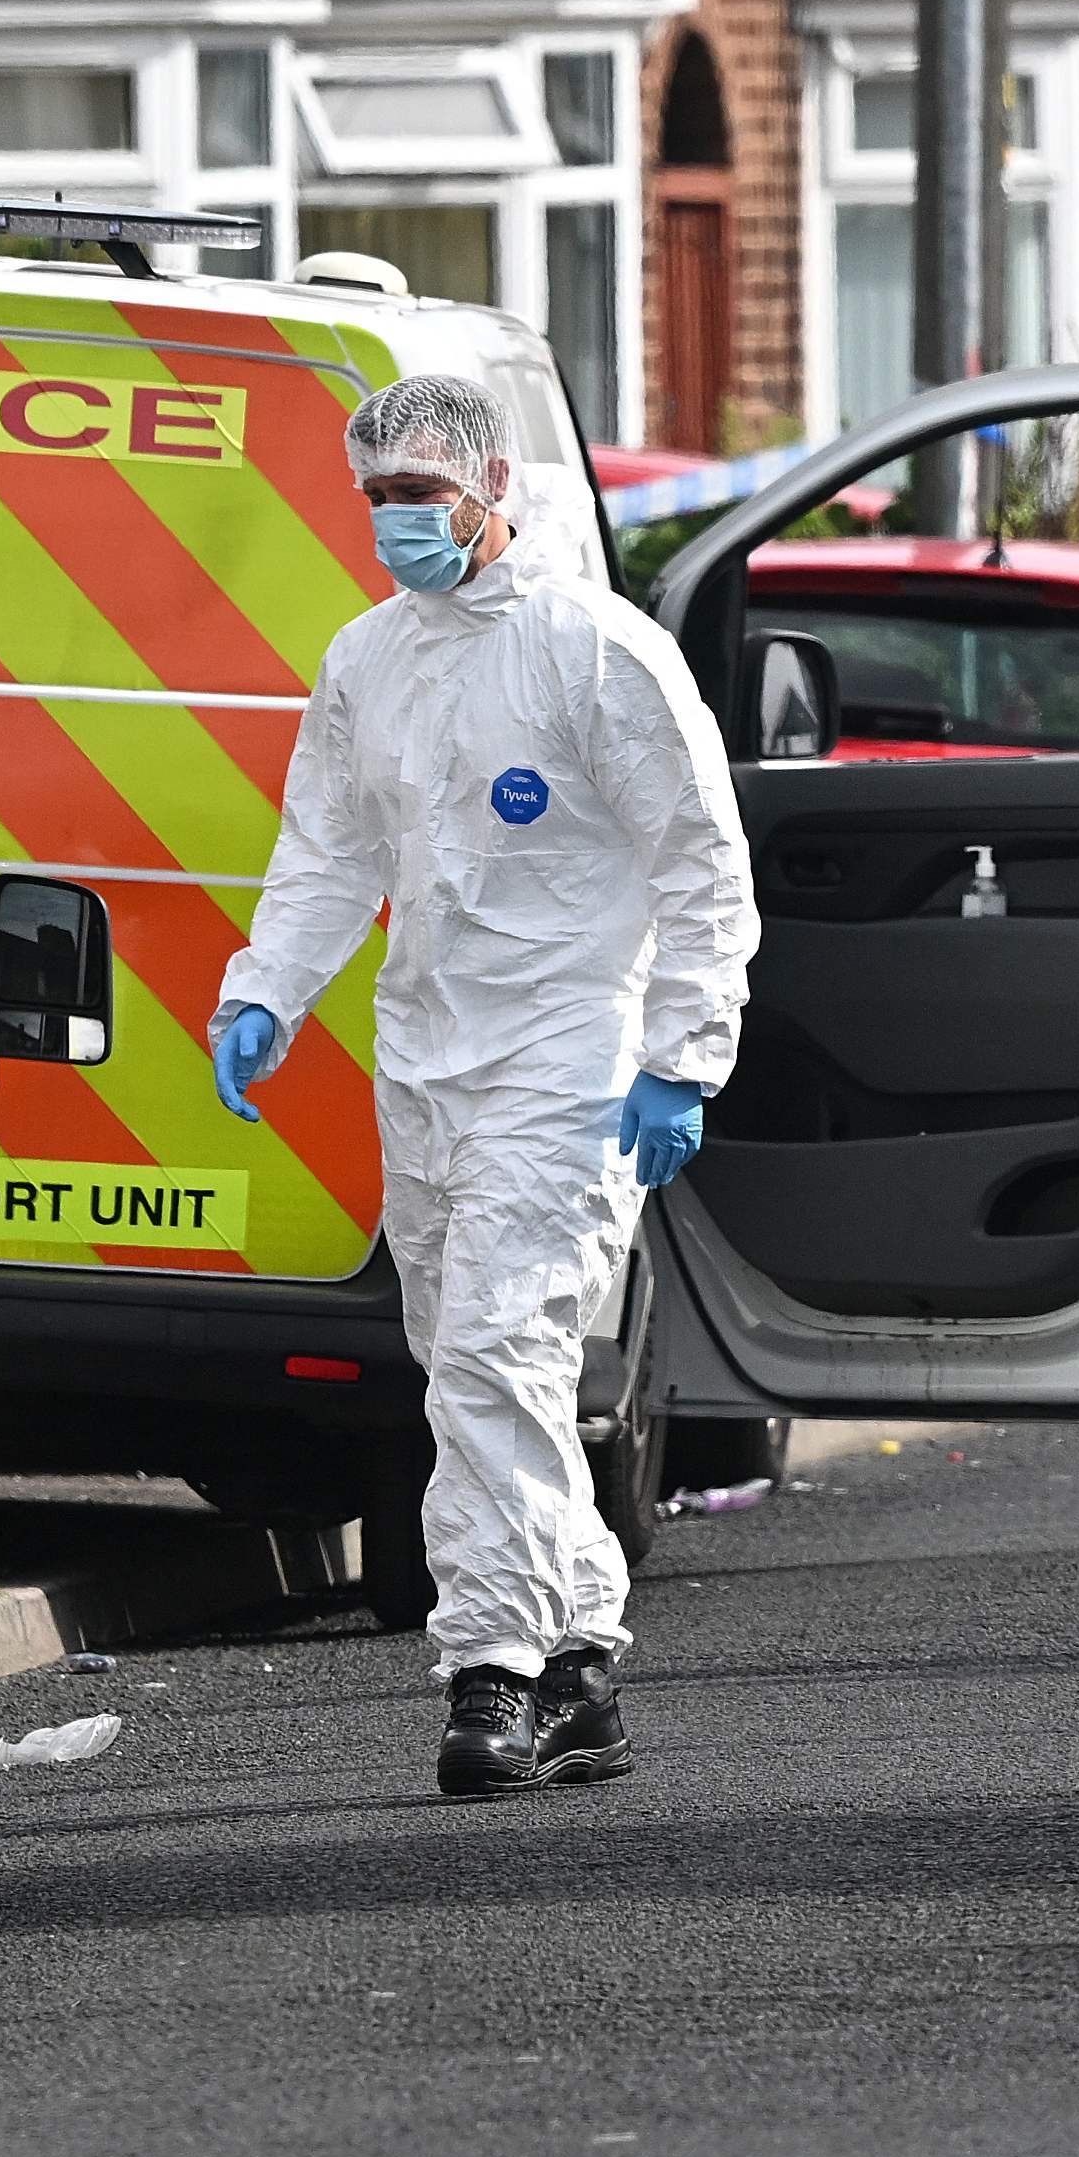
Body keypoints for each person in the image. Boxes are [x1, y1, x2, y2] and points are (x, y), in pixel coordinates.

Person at [209, 375, 758, 1799]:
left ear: (493, 485)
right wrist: (265, 988)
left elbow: (701, 864)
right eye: (378, 498)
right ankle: (583, 1663)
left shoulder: (595, 653)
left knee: (490, 1357)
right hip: (425, 1058)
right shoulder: (367, 659)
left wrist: (681, 1059)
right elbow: (327, 849)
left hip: (567, 1060)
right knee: (464, 1357)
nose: (399, 521)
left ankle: (492, 1673)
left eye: (422, 495)